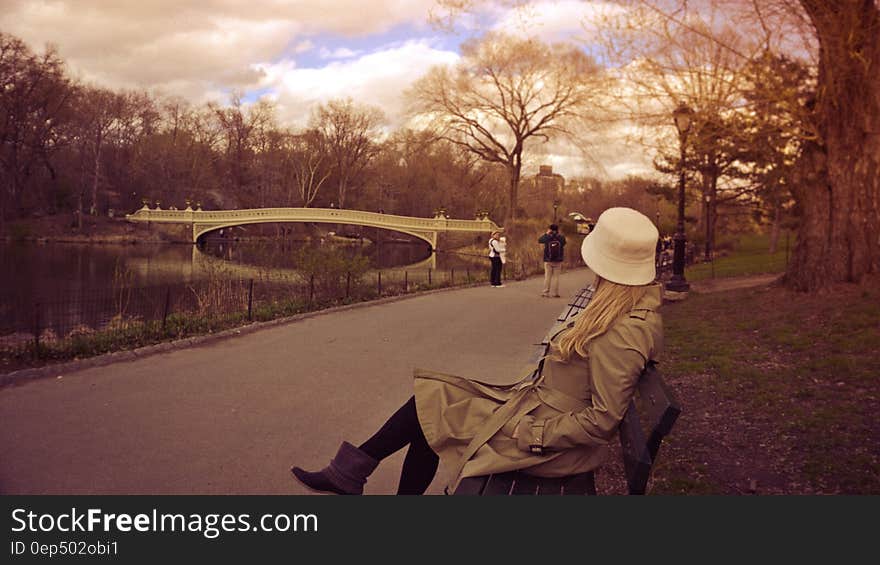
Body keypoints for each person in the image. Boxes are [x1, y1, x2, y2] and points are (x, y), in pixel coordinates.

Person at [290, 207, 663, 495]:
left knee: (431, 411)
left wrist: (532, 433)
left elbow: (603, 418)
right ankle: (351, 473)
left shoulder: (626, 329)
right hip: (534, 412)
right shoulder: (614, 308)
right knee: (430, 401)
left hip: (548, 442)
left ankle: (349, 474)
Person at [538, 224, 566, 298]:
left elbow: (540, 240)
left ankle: (545, 292)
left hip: (548, 260)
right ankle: (555, 293)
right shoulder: (561, 238)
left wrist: (547, 233)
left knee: (547, 277)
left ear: (550, 229)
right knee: (556, 277)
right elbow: (564, 243)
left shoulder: (547, 237)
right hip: (558, 260)